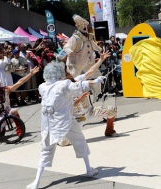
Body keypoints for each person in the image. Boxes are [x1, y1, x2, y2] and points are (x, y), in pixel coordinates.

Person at [26, 61, 105, 189]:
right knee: (79, 142)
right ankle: (89, 169)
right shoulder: (64, 84)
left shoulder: (42, 87)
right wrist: (94, 82)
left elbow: (76, 83)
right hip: (64, 121)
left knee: (46, 150)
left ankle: (36, 181)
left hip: (52, 123)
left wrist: (90, 80)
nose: (67, 74)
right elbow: (75, 86)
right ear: (59, 74)